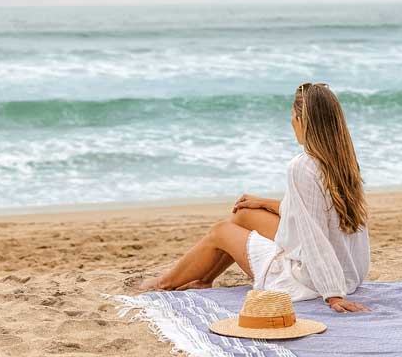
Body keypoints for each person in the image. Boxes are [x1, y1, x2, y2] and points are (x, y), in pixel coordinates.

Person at [140, 83, 371, 313]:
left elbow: (314, 235)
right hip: (348, 270)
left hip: (308, 280)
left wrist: (333, 295)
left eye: (292, 116)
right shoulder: (344, 160)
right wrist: (263, 203)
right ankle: (204, 280)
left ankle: (163, 284)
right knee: (244, 215)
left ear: (302, 121)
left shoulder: (302, 166)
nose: (291, 122)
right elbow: (313, 212)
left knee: (221, 231)